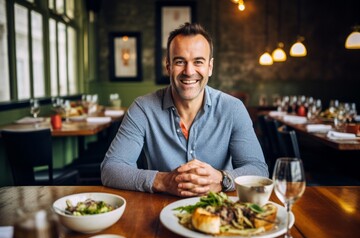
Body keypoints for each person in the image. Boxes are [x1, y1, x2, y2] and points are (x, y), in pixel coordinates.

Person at [101, 22, 268, 197]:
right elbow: (111, 169)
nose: (189, 71)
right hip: (159, 210)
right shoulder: (143, 108)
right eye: (180, 61)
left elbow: (258, 169)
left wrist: (222, 179)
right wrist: (163, 181)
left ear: (209, 67)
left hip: (219, 213)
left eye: (198, 62)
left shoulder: (233, 109)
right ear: (168, 67)